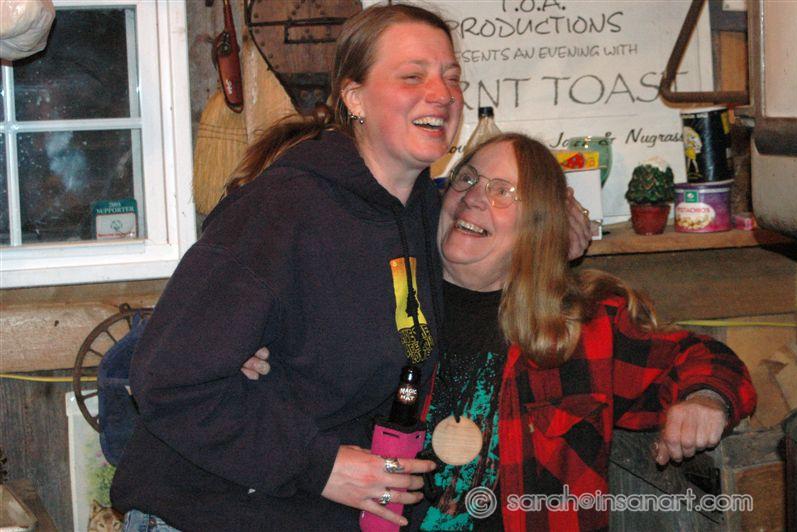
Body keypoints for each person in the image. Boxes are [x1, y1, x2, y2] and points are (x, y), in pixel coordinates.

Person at [111, 4, 460, 530]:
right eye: (413, 76)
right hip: (209, 513)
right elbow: (168, 379)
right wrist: (320, 465)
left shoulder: (421, 213)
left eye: (452, 77)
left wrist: (551, 225)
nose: (443, 93)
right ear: (354, 97)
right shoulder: (283, 209)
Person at [409, 133, 757, 531]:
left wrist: (707, 399)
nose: (472, 197)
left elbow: (706, 359)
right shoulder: (383, 315)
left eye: (502, 191)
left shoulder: (586, 328)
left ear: (538, 226)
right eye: (467, 178)